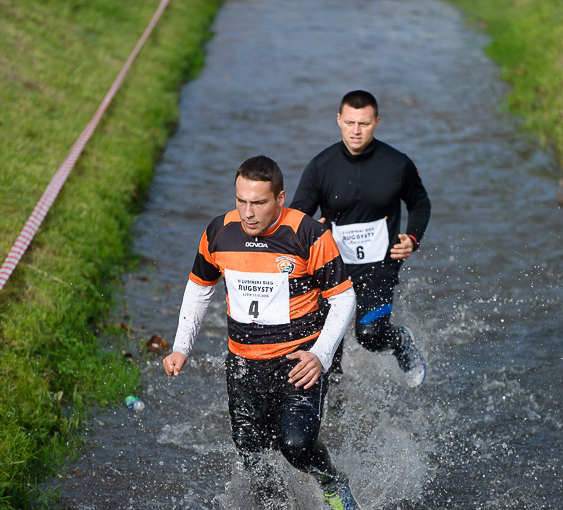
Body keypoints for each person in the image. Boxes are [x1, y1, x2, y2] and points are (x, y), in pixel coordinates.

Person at [162, 155, 361, 509]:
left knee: (296, 446)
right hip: (243, 366)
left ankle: (332, 481)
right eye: (241, 201)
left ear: (280, 199)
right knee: (254, 456)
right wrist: (181, 347)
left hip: (299, 362)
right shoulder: (219, 232)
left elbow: (344, 299)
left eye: (258, 202)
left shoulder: (308, 234)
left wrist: (321, 355)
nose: (248, 213)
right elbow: (200, 288)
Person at [290, 90, 431, 387]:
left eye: (364, 124)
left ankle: (400, 341)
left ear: (377, 122)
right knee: (330, 352)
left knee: (369, 335)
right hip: (333, 270)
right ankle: (335, 408)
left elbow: (420, 203)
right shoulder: (321, 167)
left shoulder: (397, 164)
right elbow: (297, 216)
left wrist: (413, 239)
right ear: (339, 120)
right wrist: (310, 228)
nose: (356, 130)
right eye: (350, 122)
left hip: (380, 265)